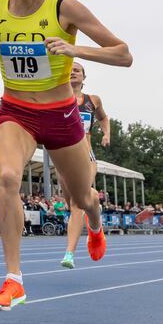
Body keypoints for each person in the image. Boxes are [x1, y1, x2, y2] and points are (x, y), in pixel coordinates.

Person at [0, 0, 132, 311]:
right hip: (16, 111)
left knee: (81, 197)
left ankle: (95, 224)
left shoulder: (65, 8)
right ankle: (14, 280)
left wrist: (73, 48)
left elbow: (123, 54)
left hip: (61, 114)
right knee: (9, 179)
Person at [60, 62, 111, 269]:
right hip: (62, 156)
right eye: (70, 69)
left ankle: (69, 253)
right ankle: (96, 225)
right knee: (72, 201)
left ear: (83, 77)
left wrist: (106, 133)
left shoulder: (92, 100)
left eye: (77, 70)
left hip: (85, 155)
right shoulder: (57, 96)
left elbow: (104, 117)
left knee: (77, 203)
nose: (73, 72)